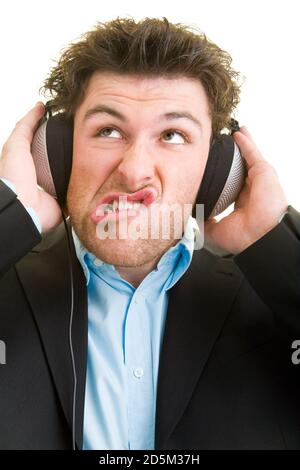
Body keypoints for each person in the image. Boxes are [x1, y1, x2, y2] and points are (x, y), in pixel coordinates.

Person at [0, 17, 299, 450]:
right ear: (55, 154)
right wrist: (11, 210)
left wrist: (276, 239)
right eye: (108, 130)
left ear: (217, 172)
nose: (135, 171)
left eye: (173, 135)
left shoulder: (274, 301)